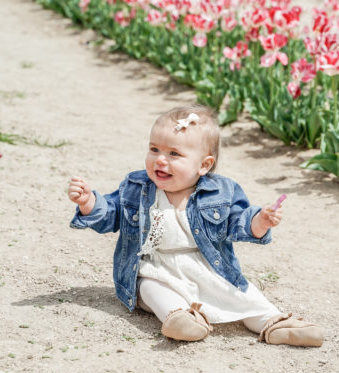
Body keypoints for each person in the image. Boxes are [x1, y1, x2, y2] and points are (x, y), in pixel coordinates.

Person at [67, 105, 324, 347]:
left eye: (174, 154)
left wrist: (260, 221)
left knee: (237, 292)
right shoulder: (137, 187)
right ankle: (180, 317)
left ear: (204, 164)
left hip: (205, 266)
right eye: (154, 149)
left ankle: (272, 322)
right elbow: (112, 214)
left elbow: (236, 223)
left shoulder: (220, 192)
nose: (160, 160)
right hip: (154, 267)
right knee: (152, 289)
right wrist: (90, 203)